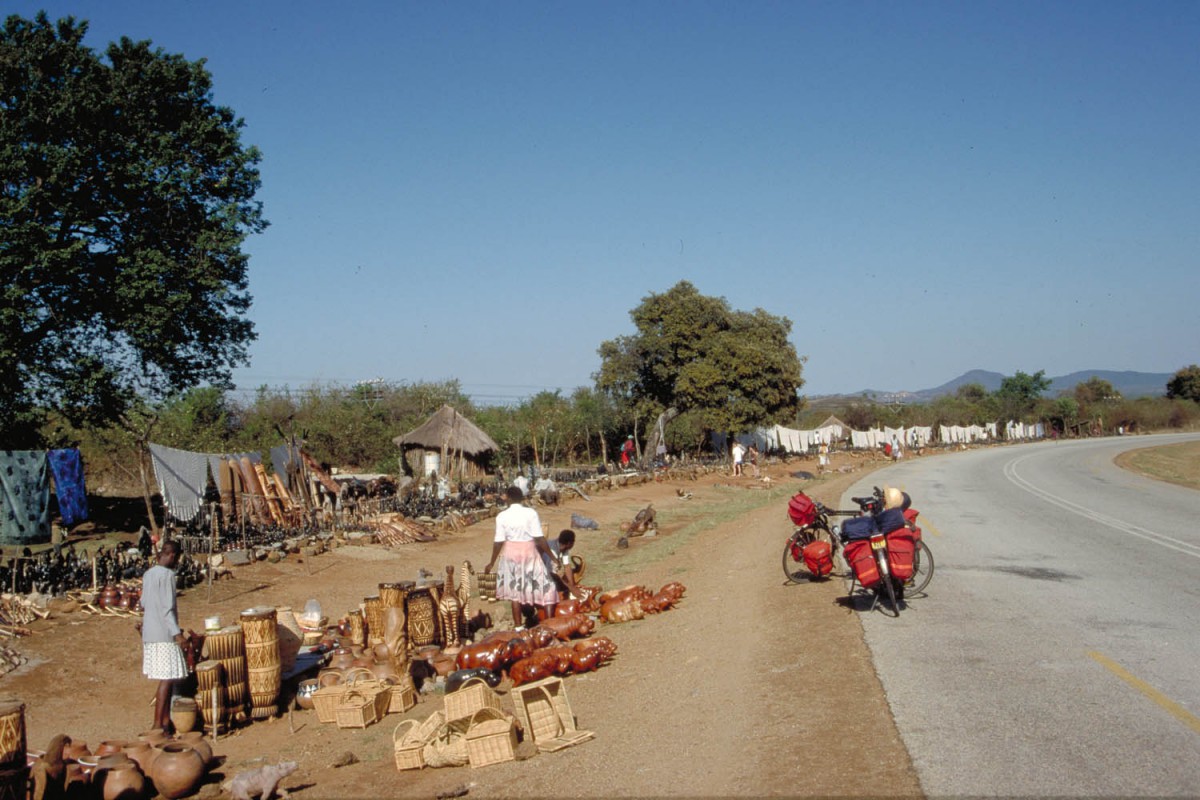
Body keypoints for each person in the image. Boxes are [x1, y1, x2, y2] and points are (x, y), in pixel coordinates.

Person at [485, 486, 558, 628]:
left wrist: (491, 562)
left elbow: (498, 541)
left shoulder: (502, 516)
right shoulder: (530, 513)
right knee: (547, 588)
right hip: (529, 552)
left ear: (509, 498)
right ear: (521, 498)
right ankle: (549, 625)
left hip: (510, 554)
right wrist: (553, 558)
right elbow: (539, 538)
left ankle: (519, 628)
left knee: (515, 593)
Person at [139, 539, 189, 733]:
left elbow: (144, 602)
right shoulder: (168, 575)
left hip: (150, 632)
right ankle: (157, 724)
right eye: (176, 558)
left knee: (166, 677)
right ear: (172, 556)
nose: (176, 562)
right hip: (164, 634)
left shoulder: (148, 574)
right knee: (167, 679)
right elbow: (167, 609)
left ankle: (166, 721)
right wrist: (177, 634)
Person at [546, 529, 582, 599]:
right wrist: (570, 588)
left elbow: (567, 566)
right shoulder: (552, 550)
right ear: (569, 543)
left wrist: (572, 586)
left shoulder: (564, 548)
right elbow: (551, 574)